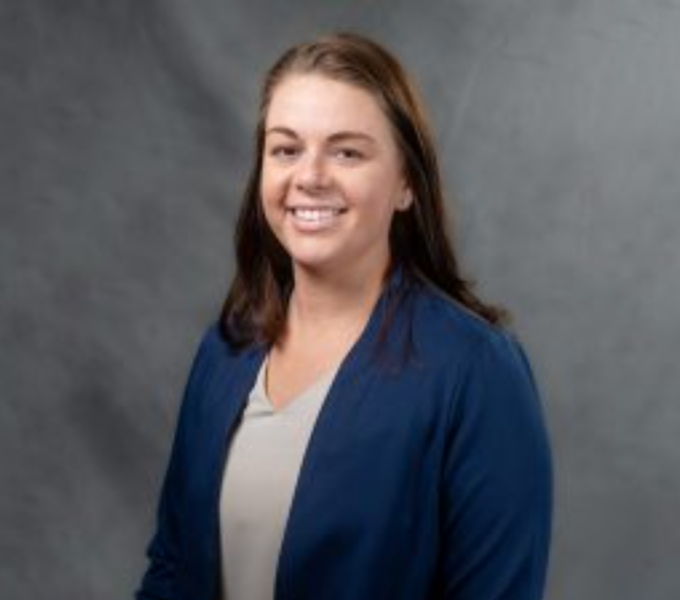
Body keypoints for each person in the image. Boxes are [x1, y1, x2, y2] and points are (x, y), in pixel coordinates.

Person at [136, 32, 552, 600]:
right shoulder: (225, 350)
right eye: (286, 149)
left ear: (406, 183)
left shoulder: (475, 373)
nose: (310, 176)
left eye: (347, 151)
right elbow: (173, 571)